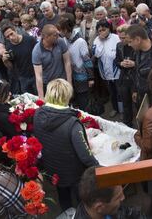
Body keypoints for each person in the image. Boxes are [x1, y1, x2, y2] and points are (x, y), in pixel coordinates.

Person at [33, 79, 99, 211]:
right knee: (82, 201)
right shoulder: (72, 123)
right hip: (74, 173)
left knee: (63, 197)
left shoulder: (38, 114)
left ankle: (66, 212)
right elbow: (85, 156)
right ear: (67, 96)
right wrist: (99, 167)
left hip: (53, 168)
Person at [75, 166, 147, 219]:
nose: (123, 198)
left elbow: (130, 213)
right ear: (99, 207)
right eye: (118, 197)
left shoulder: (111, 207)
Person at [126, 25, 152, 107]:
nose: (129, 45)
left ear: (138, 40)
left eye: (130, 41)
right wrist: (136, 90)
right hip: (141, 96)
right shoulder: (138, 50)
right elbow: (137, 71)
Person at [58, 14, 94, 110]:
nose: (58, 32)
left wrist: (90, 78)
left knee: (83, 101)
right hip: (70, 76)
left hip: (81, 77)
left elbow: (87, 60)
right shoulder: (64, 40)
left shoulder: (80, 41)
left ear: (65, 29)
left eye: (60, 29)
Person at [32, 24, 72, 100]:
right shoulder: (37, 51)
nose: (58, 36)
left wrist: (69, 83)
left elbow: (67, 62)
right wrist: (41, 97)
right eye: (55, 35)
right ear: (46, 37)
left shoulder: (60, 42)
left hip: (62, 82)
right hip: (48, 85)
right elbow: (38, 76)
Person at [92, 19, 121, 117]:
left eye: (104, 29)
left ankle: (123, 111)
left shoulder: (116, 38)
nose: (102, 32)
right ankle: (115, 108)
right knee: (112, 92)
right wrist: (100, 40)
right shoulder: (97, 40)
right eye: (99, 31)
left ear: (109, 29)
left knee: (121, 92)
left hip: (118, 70)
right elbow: (97, 54)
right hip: (105, 71)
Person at [1, 23, 37, 95]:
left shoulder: (29, 40)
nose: (10, 37)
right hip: (23, 78)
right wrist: (5, 61)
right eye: (7, 37)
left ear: (15, 30)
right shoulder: (9, 47)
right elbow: (11, 67)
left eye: (11, 34)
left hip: (35, 74)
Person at [115, 25, 135, 127]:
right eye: (120, 37)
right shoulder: (119, 45)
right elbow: (116, 60)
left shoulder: (135, 45)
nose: (122, 40)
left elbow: (143, 62)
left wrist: (133, 64)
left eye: (124, 38)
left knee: (137, 103)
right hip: (123, 78)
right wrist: (120, 64)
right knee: (126, 102)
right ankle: (128, 124)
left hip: (134, 79)